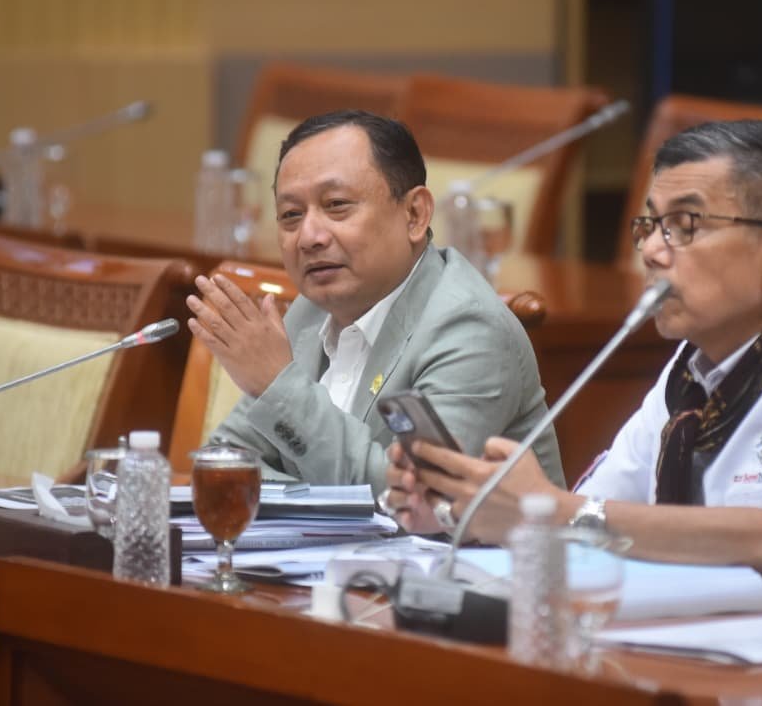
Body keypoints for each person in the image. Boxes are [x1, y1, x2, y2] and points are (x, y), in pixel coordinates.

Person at [384, 119, 762, 632]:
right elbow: (600, 521)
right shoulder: (692, 370)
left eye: (686, 226)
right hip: (732, 663)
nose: (651, 251)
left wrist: (558, 512)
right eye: (649, 225)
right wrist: (466, 512)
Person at [186, 109, 564, 495]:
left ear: (414, 214)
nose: (309, 237)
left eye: (337, 205)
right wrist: (309, 490)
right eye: (291, 215)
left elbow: (411, 500)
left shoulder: (470, 329)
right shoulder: (310, 311)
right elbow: (223, 463)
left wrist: (278, 387)